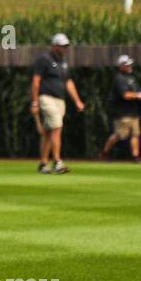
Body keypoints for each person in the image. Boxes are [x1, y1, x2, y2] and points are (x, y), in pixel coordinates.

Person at [31, 32, 85, 175]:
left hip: (60, 100)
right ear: (54, 46)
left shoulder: (64, 62)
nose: (64, 49)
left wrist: (77, 101)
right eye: (61, 46)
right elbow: (36, 82)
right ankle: (57, 162)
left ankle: (43, 164)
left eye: (66, 46)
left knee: (49, 132)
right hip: (46, 98)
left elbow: (68, 82)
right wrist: (35, 102)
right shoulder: (44, 60)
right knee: (57, 128)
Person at [100, 54, 141, 162]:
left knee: (136, 134)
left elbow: (137, 92)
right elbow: (125, 95)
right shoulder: (119, 78)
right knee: (119, 135)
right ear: (121, 66)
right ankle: (104, 153)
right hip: (122, 113)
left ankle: (135, 156)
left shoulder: (132, 78)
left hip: (134, 112)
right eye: (127, 65)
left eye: (130, 64)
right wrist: (138, 96)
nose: (129, 66)